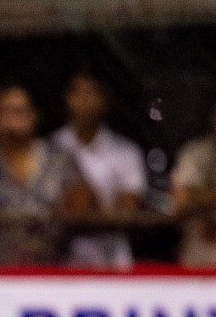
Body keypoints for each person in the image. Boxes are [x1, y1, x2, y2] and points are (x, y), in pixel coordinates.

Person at [0, 85, 92, 266]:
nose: (12, 119)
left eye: (18, 111)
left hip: (55, 265)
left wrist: (73, 204)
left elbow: (83, 197)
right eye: (4, 112)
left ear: (33, 115)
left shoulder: (58, 159)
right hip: (1, 268)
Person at [50, 73, 147, 271]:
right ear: (68, 99)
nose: (85, 100)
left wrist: (82, 214)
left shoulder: (126, 151)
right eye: (78, 93)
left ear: (104, 101)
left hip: (113, 261)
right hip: (63, 261)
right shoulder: (52, 148)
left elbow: (128, 210)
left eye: (91, 93)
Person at [170, 93, 216, 269]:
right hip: (203, 265)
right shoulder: (197, 153)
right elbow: (182, 201)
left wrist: (210, 201)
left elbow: (196, 197)